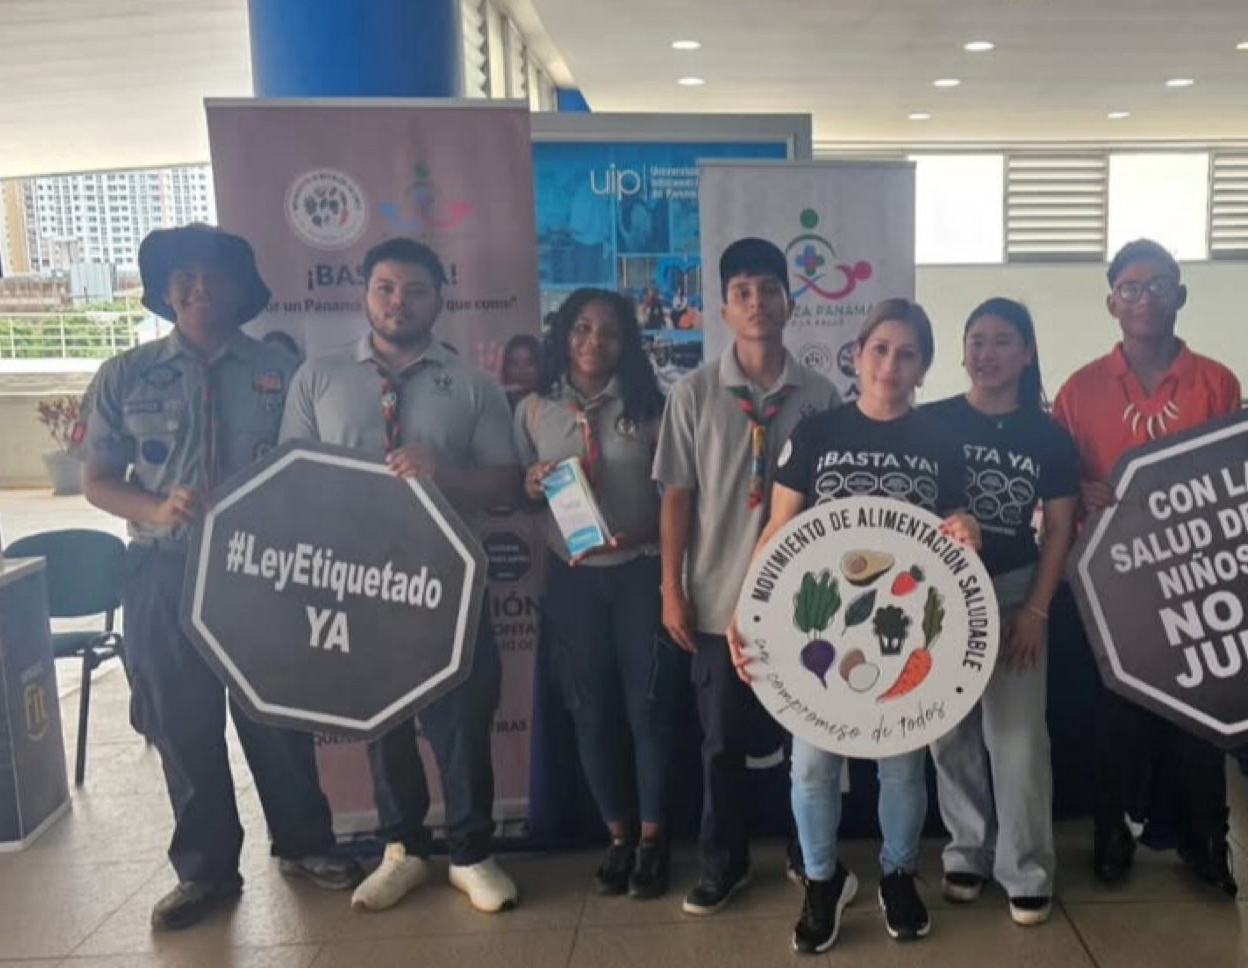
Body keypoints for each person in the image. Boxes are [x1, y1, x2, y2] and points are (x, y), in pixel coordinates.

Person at [81, 224, 361, 931]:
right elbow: (98, 482)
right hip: (161, 569)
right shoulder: (125, 374)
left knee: (278, 715)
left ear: (242, 292)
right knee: (182, 721)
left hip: (259, 573)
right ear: (165, 292)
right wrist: (156, 507)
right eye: (185, 279)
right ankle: (205, 871)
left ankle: (306, 845)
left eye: (214, 278)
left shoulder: (282, 371)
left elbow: (310, 470)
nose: (199, 289)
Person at [279, 236, 522, 915]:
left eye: (415, 290)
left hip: (449, 577)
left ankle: (472, 852)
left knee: (463, 719)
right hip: (354, 581)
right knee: (378, 719)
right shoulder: (318, 378)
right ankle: (403, 849)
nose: (399, 301)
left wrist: (445, 473)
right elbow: (289, 476)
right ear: (364, 294)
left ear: (439, 299)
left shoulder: (471, 384)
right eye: (385, 287)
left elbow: (505, 482)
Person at [733, 298, 982, 953]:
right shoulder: (815, 432)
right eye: (880, 349)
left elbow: (958, 523)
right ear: (857, 355)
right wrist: (744, 612)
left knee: (901, 768)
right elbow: (777, 530)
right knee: (812, 767)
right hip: (820, 629)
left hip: (900, 634)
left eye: (907, 354)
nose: (891, 365)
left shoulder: (940, 440)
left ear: (924, 367)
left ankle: (898, 875)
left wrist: (969, 529)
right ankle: (822, 881)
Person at [654, 238, 843, 916]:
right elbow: (676, 494)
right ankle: (722, 862)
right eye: (742, 293)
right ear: (723, 309)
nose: (758, 303)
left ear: (790, 301)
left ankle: (807, 850)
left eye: (769, 289)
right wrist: (672, 587)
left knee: (810, 742)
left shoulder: (821, 396)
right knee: (721, 745)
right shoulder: (695, 393)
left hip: (804, 605)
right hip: (714, 599)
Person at [1052, 239, 1244, 895]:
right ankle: (1112, 830)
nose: (1144, 298)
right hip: (1107, 583)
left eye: (1158, 284)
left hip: (1195, 581)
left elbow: (1234, 475)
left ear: (1181, 295)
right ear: (1112, 303)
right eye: (1130, 288)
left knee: (1198, 710)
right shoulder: (1078, 390)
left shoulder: (1217, 382)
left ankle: (1206, 839)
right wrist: (1079, 491)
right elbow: (1056, 484)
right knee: (1112, 718)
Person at [924, 299, 1079, 927]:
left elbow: (1062, 528)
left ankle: (1027, 867)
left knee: (1016, 741)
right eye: (976, 341)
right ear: (961, 352)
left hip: (1016, 591)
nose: (986, 354)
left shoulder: (1048, 434)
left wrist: (1037, 610)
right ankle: (967, 852)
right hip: (936, 596)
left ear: (1027, 352)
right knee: (948, 733)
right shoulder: (930, 421)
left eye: (1001, 341)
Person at [516, 288, 672, 899]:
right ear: (563, 334)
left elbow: (683, 502)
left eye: (608, 331)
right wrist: (529, 484)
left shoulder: (656, 409)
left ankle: (655, 841)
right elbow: (514, 489)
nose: (593, 342)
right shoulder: (533, 411)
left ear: (626, 342)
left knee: (650, 709)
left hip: (640, 570)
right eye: (581, 328)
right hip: (573, 575)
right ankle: (618, 837)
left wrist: (647, 536)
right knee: (589, 708)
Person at [498, 334, 544, 407]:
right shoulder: (497, 404)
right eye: (514, 364)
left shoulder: (553, 407)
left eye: (529, 363)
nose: (522, 371)